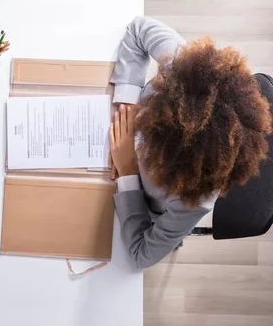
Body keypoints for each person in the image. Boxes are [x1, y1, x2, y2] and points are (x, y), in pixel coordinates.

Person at [108, 16, 273, 269]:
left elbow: (140, 255)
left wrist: (128, 172)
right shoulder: (186, 73)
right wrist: (128, 106)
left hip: (126, 194)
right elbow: (139, 29)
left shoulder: (193, 199)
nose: (142, 138)